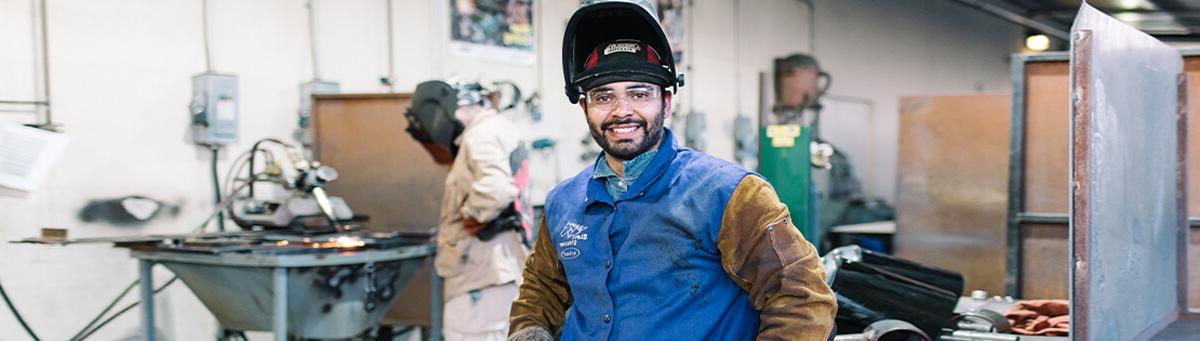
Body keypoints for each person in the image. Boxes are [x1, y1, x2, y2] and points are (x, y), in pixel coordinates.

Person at [507, 1, 836, 340]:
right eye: (604, 97)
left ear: (666, 101)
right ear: (584, 107)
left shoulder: (729, 194)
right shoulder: (564, 201)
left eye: (639, 94)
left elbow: (802, 296)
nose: (622, 111)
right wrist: (529, 329)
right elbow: (541, 288)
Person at [406, 80, 532, 340]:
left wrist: (470, 215)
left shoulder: (480, 135)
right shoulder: (501, 128)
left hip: (481, 278)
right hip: (498, 272)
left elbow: (495, 190)